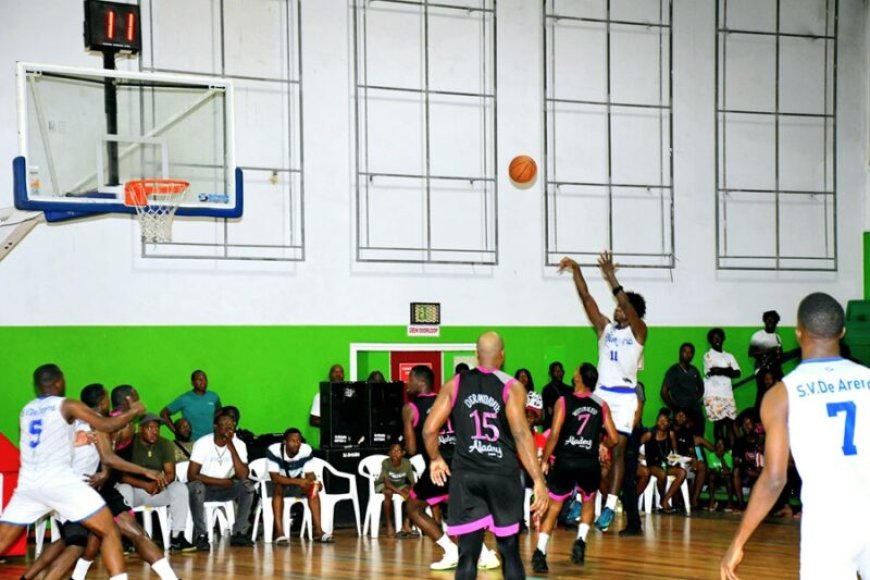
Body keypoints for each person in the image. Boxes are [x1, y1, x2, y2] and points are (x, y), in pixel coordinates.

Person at [722, 292, 870, 579]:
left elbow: (775, 478)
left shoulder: (781, 395)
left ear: (798, 333)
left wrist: (737, 542)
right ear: (842, 331)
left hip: (829, 521)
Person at [0, 365, 146, 580]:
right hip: (61, 484)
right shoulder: (66, 404)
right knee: (109, 531)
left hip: (28, 486)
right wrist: (134, 411)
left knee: (3, 540)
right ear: (59, 381)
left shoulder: (27, 410)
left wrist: (76, 440)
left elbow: (49, 440)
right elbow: (106, 424)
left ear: (37, 385)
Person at [423, 332, 548, 580]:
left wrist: (436, 459)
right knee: (509, 551)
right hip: (502, 475)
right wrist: (538, 480)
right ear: (502, 355)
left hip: (467, 476)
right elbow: (522, 435)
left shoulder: (456, 383)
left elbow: (428, 429)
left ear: (477, 354)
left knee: (467, 553)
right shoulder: (512, 387)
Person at [40, 385, 179, 580]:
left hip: (98, 487)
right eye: (136, 398)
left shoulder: (105, 422)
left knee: (108, 537)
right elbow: (108, 457)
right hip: (80, 490)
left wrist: (105, 471)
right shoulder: (104, 423)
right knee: (86, 542)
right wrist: (147, 472)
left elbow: (106, 455)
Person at [558, 252, 647, 532]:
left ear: (633, 312)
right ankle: (578, 497)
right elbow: (587, 300)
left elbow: (626, 305)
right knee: (583, 447)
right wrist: (576, 270)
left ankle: (609, 506)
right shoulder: (606, 329)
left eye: (624, 308)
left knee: (618, 452)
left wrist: (610, 277)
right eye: (619, 308)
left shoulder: (640, 332)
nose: (618, 310)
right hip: (599, 395)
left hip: (623, 397)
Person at [403, 365, 500, 571]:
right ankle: (483, 553)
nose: (407, 383)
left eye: (410, 379)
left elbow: (411, 448)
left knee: (412, 507)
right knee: (460, 509)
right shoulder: (450, 399)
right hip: (464, 463)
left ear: (421, 382)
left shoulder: (411, 408)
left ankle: (450, 550)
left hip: (439, 466)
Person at [532, 362, 619, 573]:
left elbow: (554, 433)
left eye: (575, 369)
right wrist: (602, 445)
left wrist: (544, 460)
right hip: (588, 462)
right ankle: (580, 541)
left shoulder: (564, 401)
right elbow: (614, 438)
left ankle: (540, 553)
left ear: (579, 378)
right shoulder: (601, 404)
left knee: (554, 507)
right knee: (588, 503)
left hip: (565, 460)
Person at [115, 413, 195, 552]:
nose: (154, 432)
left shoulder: (165, 444)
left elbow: (170, 473)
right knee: (123, 489)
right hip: (136, 491)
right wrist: (145, 485)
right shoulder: (129, 443)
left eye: (157, 428)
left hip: (157, 490)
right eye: (150, 428)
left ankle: (177, 536)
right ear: (141, 428)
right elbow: (121, 476)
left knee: (179, 488)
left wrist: (159, 485)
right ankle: (125, 538)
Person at [187, 410, 256, 550]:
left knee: (247, 487)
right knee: (197, 487)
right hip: (203, 488)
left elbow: (243, 475)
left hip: (226, 489)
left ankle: (239, 532)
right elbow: (192, 475)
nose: (227, 427)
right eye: (223, 423)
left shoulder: (239, 444)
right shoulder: (203, 443)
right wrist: (221, 482)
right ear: (215, 426)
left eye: (231, 424)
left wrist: (231, 446)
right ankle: (200, 535)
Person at [265, 427, 331, 543]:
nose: (296, 444)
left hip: (295, 483)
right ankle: (279, 532)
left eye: (299, 441)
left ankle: (318, 531)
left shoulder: (306, 450)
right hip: (273, 485)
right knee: (278, 488)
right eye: (292, 441)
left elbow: (309, 474)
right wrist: (299, 482)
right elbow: (275, 478)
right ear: (285, 442)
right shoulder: (273, 450)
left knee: (313, 490)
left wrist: (313, 483)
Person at [640, 411, 687, 513]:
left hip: (666, 463)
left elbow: (675, 450)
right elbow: (635, 448)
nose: (662, 422)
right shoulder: (649, 434)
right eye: (660, 420)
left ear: (668, 423)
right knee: (662, 474)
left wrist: (675, 458)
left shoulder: (671, 434)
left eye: (665, 421)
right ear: (656, 422)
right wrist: (640, 456)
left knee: (682, 472)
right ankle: (662, 499)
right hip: (652, 465)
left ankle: (665, 499)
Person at [703, 328, 741, 448]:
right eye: (714, 338)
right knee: (718, 424)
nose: (717, 340)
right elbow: (713, 371)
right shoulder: (708, 355)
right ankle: (720, 455)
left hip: (728, 395)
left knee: (730, 424)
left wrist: (721, 370)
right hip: (713, 395)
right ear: (710, 341)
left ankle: (731, 453)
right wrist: (728, 370)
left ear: (723, 338)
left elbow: (737, 373)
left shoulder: (729, 356)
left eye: (719, 337)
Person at [160, 370, 221, 442]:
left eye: (205, 379)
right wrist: (177, 432)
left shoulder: (213, 396)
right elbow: (163, 413)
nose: (203, 382)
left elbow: (220, 412)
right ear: (192, 383)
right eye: (199, 380)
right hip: (193, 442)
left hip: (212, 441)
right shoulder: (184, 399)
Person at [661, 343, 705, 436]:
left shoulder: (694, 370)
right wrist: (673, 408)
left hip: (695, 411)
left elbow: (701, 387)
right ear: (680, 353)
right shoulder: (673, 370)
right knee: (682, 440)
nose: (687, 354)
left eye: (690, 352)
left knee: (697, 438)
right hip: (681, 412)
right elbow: (664, 392)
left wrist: (695, 399)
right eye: (685, 351)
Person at [375, 441, 417, 538]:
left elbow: (412, 481)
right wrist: (401, 492)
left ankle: (406, 523)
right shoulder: (386, 463)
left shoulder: (407, 463)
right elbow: (386, 483)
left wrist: (411, 490)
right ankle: (389, 525)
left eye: (398, 451)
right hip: (384, 484)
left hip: (399, 485)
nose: (395, 453)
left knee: (412, 494)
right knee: (388, 493)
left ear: (403, 453)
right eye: (393, 451)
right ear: (389, 453)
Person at [310, 363, 345, 428]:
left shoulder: (348, 395)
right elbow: (314, 420)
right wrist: (334, 423)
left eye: (341, 372)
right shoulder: (321, 396)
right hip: (328, 435)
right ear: (330, 375)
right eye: (335, 372)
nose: (338, 374)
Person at [540, 362, 571, 430]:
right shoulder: (547, 389)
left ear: (563, 372)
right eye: (555, 371)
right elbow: (547, 411)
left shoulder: (570, 389)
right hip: (551, 426)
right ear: (551, 373)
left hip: (566, 427)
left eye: (560, 371)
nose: (558, 373)